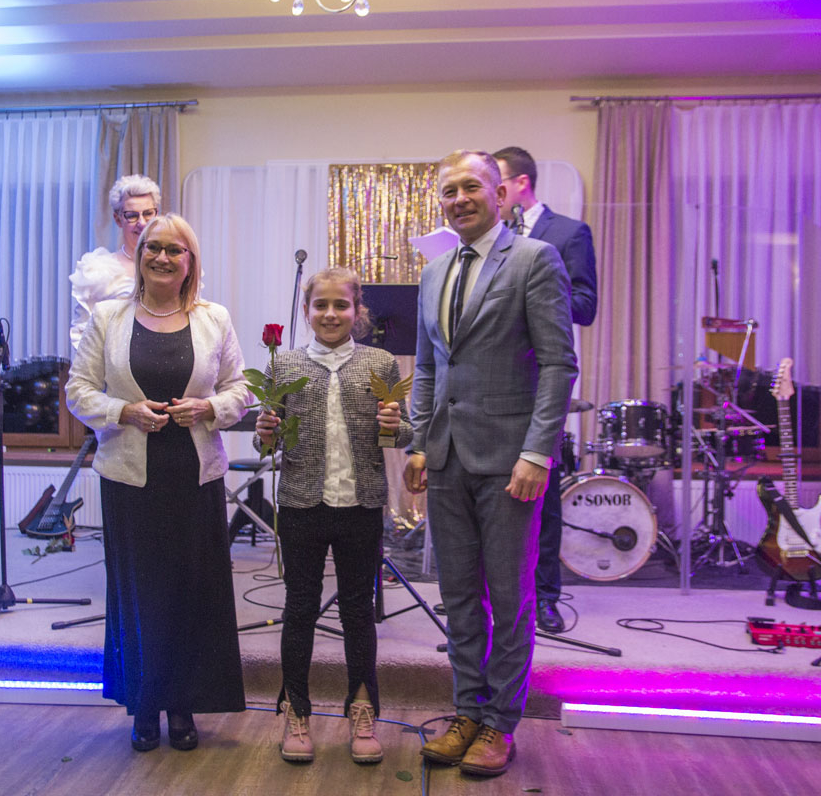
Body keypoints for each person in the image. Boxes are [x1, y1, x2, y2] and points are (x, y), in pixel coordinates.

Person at [404, 150, 577, 777]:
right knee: (458, 597)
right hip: (447, 457)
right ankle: (467, 711)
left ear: (500, 194)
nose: (459, 199)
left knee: (509, 596)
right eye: (449, 190)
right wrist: (419, 443)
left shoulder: (535, 259)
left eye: (471, 186)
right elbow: (429, 368)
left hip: (511, 462)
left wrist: (537, 452)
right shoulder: (434, 272)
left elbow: (558, 364)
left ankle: (501, 722)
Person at [66, 213, 249, 753]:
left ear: (190, 262)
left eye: (175, 249)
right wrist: (123, 411)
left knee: (191, 593)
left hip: (195, 477)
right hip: (130, 480)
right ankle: (145, 704)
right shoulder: (109, 316)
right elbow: (78, 390)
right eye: (153, 247)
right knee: (140, 594)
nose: (162, 257)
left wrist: (209, 407)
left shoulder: (214, 318)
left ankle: (183, 703)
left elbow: (240, 389)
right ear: (139, 254)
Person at [254, 268, 412, 766]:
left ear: (357, 310)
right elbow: (267, 446)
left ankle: (362, 708)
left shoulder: (380, 362)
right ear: (306, 311)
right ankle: (296, 711)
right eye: (320, 305)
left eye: (341, 305)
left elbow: (402, 435)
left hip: (360, 504)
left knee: (358, 612)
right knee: (299, 609)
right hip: (301, 504)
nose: (330, 314)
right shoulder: (283, 365)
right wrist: (265, 432)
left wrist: (394, 424)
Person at [493, 145, 599, 635]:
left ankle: (546, 597)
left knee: (542, 494)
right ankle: (486, 595)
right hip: (492, 376)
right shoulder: (491, 235)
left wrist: (532, 290)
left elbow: (586, 305)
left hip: (540, 376)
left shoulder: (568, 232)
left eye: (497, 182)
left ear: (521, 183)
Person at [69, 174, 161, 350]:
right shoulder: (99, 271)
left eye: (148, 213)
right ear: (118, 219)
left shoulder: (173, 267)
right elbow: (82, 334)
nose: (142, 223)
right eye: (132, 216)